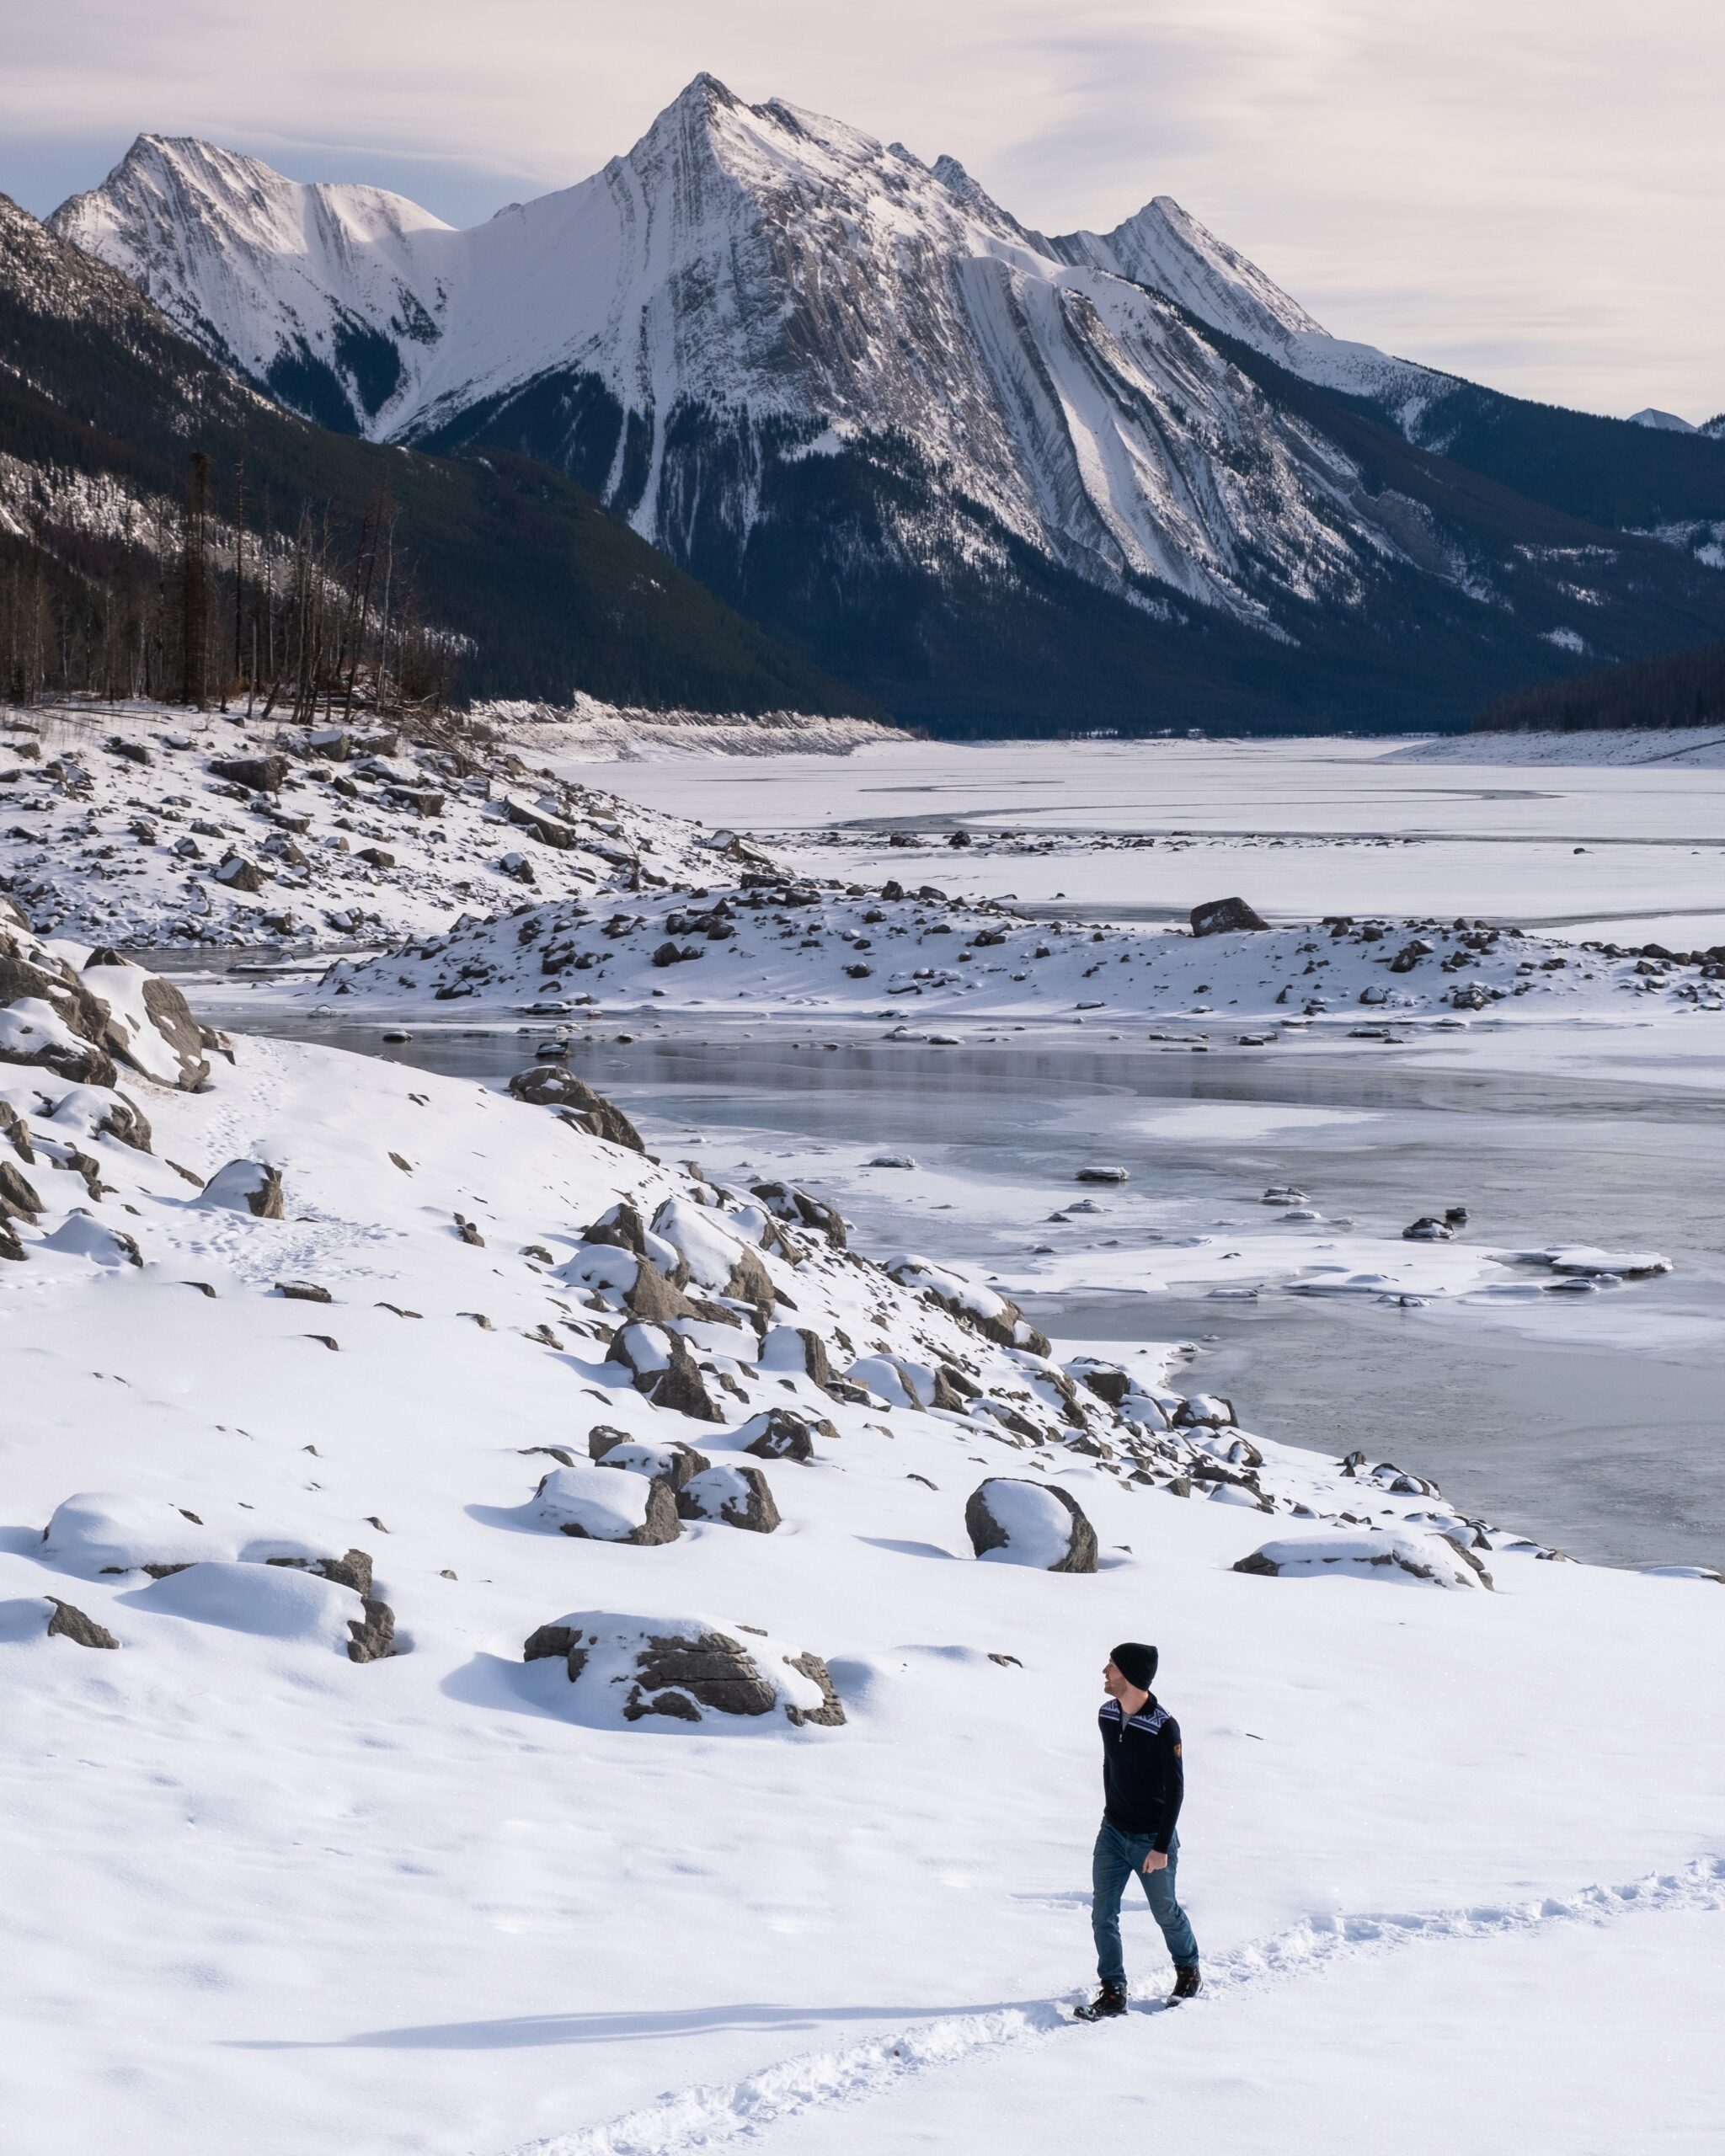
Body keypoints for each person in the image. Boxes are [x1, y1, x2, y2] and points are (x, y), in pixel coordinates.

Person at [1074, 1641, 1201, 2020]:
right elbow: (1110, 1765)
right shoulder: (1106, 1715)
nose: (1104, 1672)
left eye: (1111, 1666)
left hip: (1151, 1841)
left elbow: (1176, 1789)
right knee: (1103, 1913)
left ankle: (1188, 1969)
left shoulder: (1164, 1727)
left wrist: (1161, 1846)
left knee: (1165, 1911)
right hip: (1112, 1832)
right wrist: (1111, 1812)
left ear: (1129, 1675)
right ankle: (1114, 1991)